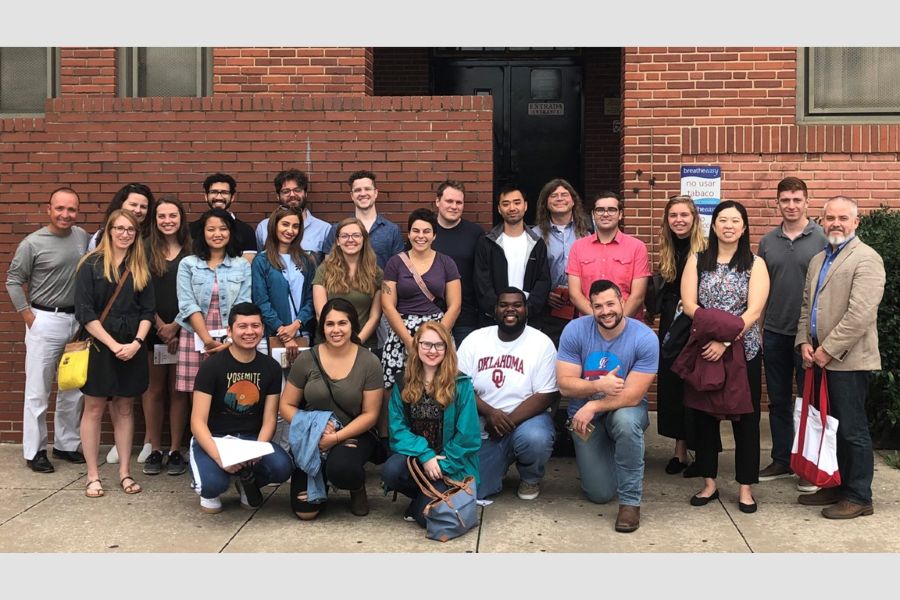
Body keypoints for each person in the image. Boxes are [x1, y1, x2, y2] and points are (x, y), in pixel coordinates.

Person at [796, 196, 885, 519]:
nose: (835, 223)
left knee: (851, 429)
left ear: (856, 222)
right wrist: (804, 341)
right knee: (828, 428)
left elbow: (860, 314)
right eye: (830, 218)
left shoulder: (866, 259)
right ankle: (836, 484)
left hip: (847, 360)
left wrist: (828, 350)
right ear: (822, 221)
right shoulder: (820, 259)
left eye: (843, 218)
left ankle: (860, 495)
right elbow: (807, 306)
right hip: (817, 357)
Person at [680, 200, 770, 514]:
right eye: (722, 220)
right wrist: (713, 336)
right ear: (713, 225)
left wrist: (726, 339)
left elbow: (754, 311)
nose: (728, 226)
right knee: (703, 416)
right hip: (705, 349)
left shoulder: (755, 264)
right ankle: (709, 483)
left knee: (746, 419)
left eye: (735, 221)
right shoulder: (697, 260)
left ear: (744, 227)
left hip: (743, 351)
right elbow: (689, 304)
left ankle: (746, 488)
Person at [556, 279, 658, 533]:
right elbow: (565, 386)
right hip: (583, 419)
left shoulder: (644, 336)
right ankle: (620, 451)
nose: (605, 311)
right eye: (598, 306)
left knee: (625, 422)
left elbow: (633, 396)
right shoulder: (575, 331)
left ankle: (630, 503)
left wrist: (593, 406)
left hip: (623, 409)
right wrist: (598, 385)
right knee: (599, 493)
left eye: (611, 303)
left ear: (623, 302)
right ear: (590, 308)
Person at [6, 187, 90, 473]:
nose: (66, 214)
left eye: (71, 209)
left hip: (76, 322)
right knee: (38, 391)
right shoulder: (33, 243)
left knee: (73, 387)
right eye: (60, 209)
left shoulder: (82, 237)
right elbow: (13, 281)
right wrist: (28, 316)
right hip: (45, 319)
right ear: (49, 209)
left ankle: (66, 445)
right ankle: (35, 451)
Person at [75, 209, 155, 498]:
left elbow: (148, 310)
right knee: (94, 409)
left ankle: (124, 471)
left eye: (130, 230)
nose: (124, 234)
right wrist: (112, 344)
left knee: (124, 408)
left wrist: (136, 343)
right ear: (109, 231)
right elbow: (84, 312)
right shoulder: (90, 265)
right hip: (99, 345)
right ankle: (93, 475)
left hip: (132, 346)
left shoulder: (140, 266)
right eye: (119, 228)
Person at [279, 298, 384, 520]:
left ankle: (355, 486)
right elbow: (286, 405)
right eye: (330, 324)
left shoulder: (369, 361)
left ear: (352, 325)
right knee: (305, 513)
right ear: (322, 327)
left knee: (342, 469)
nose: (336, 330)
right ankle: (320, 483)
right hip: (311, 436)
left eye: (342, 323)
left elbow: (371, 415)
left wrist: (335, 437)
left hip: (353, 433)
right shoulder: (307, 359)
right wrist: (313, 427)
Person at [757, 177, 827, 492]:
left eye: (797, 199)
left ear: (807, 202)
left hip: (808, 338)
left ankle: (808, 466)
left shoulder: (822, 239)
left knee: (809, 401)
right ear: (777, 203)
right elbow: (761, 289)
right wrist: (758, 328)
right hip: (774, 331)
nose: (791, 205)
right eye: (785, 200)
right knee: (779, 400)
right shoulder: (768, 241)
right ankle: (782, 459)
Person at [189, 302, 293, 514]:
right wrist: (220, 458)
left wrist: (257, 450)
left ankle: (247, 483)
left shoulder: (270, 367)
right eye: (242, 326)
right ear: (230, 331)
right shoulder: (212, 366)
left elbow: (270, 419)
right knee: (211, 486)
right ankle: (212, 486)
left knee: (283, 467)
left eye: (255, 326)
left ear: (263, 329)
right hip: (215, 438)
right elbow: (197, 421)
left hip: (250, 438)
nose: (249, 332)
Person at [457, 288, 558, 500]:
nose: (510, 309)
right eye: (504, 305)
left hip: (526, 422)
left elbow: (546, 394)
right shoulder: (475, 340)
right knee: (475, 491)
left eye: (517, 305)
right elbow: (459, 384)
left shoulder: (541, 343)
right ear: (495, 310)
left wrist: (505, 422)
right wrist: (490, 413)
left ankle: (530, 478)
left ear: (526, 310)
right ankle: (498, 462)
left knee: (536, 438)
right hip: (485, 425)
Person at [383, 321, 481, 526]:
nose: (432, 350)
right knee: (392, 471)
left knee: (425, 519)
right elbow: (397, 429)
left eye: (439, 345)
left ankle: (424, 501)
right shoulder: (404, 382)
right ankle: (424, 496)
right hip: (421, 460)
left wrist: (442, 464)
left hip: (452, 464)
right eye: (426, 344)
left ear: (447, 348)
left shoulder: (460, 384)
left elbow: (468, 437)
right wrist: (426, 455)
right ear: (417, 345)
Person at [652, 195, 707, 475]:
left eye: (684, 215)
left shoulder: (707, 249)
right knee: (673, 384)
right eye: (673, 215)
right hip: (672, 324)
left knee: (696, 386)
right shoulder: (667, 249)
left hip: (696, 322)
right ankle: (680, 451)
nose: (679, 220)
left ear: (694, 218)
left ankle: (702, 453)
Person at [381, 208, 461, 394]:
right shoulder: (395, 263)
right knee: (396, 391)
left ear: (434, 236)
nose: (420, 236)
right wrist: (409, 342)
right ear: (408, 234)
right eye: (415, 231)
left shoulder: (446, 263)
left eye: (426, 231)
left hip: (437, 329)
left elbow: (455, 304)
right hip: (402, 332)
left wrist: (439, 337)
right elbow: (387, 304)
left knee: (439, 388)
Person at [175, 208, 252, 399]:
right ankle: (199, 430)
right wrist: (207, 340)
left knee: (230, 390)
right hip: (195, 332)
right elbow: (187, 304)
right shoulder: (188, 264)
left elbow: (244, 304)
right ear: (202, 232)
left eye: (223, 229)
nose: (217, 234)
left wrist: (229, 341)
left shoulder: (241, 264)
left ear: (230, 232)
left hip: (231, 334)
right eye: (211, 229)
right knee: (198, 392)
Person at [140, 194, 192, 476]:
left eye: (173, 216)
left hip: (184, 330)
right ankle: (155, 449)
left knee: (179, 390)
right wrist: (161, 325)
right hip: (153, 330)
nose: (167, 221)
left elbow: (196, 292)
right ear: (155, 220)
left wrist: (177, 325)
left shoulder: (192, 250)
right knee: (154, 390)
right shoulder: (145, 249)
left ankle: (175, 450)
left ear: (181, 219)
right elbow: (141, 291)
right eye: (162, 216)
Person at [474, 184, 551, 326]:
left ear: (525, 206)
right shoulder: (487, 243)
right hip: (493, 321)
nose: (512, 208)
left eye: (517, 202)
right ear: (499, 209)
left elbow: (543, 281)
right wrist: (498, 310)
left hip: (530, 321)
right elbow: (482, 283)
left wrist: (527, 310)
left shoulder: (537, 243)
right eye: (506, 204)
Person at [567, 191, 650, 320]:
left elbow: (638, 295)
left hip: (627, 325)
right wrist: (600, 319)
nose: (605, 214)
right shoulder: (578, 247)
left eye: (611, 210)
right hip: (589, 324)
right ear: (593, 215)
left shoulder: (637, 247)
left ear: (620, 214)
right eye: (600, 210)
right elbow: (575, 294)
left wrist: (618, 323)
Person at [531, 178, 592, 346]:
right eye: (553, 195)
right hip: (549, 309)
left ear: (573, 201)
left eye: (564, 194)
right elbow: (528, 274)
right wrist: (544, 295)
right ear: (546, 202)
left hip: (583, 308)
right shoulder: (533, 236)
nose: (559, 198)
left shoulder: (589, 234)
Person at [251, 206, 315, 362]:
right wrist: (283, 332)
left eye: (295, 226)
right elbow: (261, 301)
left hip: (301, 334)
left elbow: (311, 298)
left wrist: (296, 325)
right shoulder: (262, 260)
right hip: (272, 336)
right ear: (274, 226)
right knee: (274, 384)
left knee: (301, 384)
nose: (290, 230)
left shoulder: (307, 260)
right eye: (285, 224)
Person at [312, 217, 383, 352]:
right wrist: (336, 341)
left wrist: (356, 342)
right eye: (344, 236)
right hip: (329, 344)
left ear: (364, 239)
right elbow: (320, 313)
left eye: (356, 235)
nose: (350, 240)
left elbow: (375, 317)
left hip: (363, 345)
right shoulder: (324, 270)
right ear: (338, 241)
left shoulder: (376, 273)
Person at [431, 179, 485, 347]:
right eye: (449, 201)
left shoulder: (475, 233)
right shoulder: (425, 231)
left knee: (462, 370)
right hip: (429, 314)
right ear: (438, 201)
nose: (454, 206)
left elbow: (482, 275)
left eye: (459, 202)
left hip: (466, 317)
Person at [321, 170, 404, 268]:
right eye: (357, 190)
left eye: (367, 189)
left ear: (375, 193)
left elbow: (398, 269)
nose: (363, 193)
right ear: (352, 196)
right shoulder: (337, 229)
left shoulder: (392, 230)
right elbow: (329, 267)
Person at [256, 168, 331, 262]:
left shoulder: (324, 229)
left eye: (297, 190)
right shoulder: (264, 227)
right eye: (286, 191)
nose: (292, 195)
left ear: (305, 194)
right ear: (278, 196)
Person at [189, 173, 256, 262]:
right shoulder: (192, 229)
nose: (219, 197)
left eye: (224, 192)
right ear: (206, 196)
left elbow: (246, 267)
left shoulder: (246, 231)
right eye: (214, 192)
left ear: (232, 197)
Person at [87, 183, 154, 252]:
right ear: (121, 204)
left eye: (143, 207)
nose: (138, 210)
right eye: (133, 205)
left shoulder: (154, 238)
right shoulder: (100, 237)